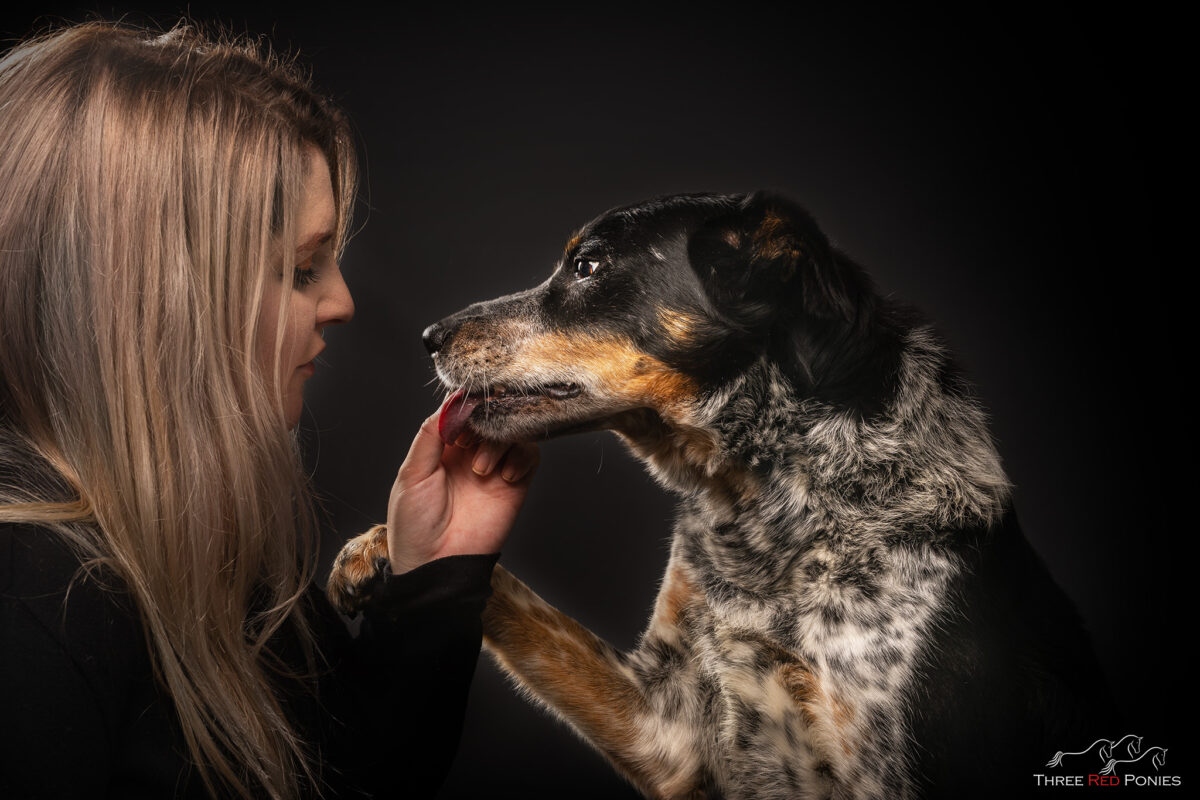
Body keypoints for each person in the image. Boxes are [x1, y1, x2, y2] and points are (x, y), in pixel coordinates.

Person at [0, 20, 537, 799]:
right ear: (146, 298)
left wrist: (433, 580)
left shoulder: (211, 546)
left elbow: (352, 779)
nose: (343, 302)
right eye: (298, 269)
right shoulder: (28, 599)